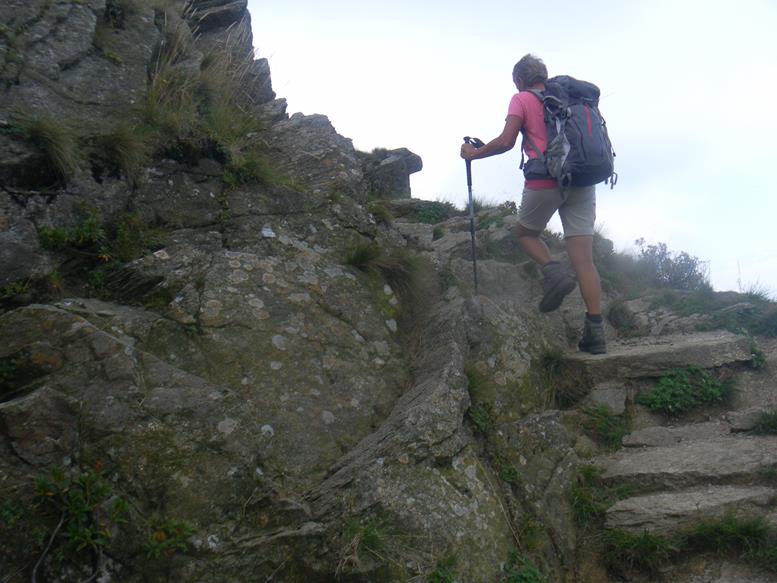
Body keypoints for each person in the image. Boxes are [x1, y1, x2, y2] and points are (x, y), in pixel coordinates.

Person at [459, 53, 606, 354]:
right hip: (581, 180)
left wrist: (474, 154)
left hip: (545, 179)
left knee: (526, 233)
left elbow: (506, 141)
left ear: (519, 80)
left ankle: (553, 272)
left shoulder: (522, 99)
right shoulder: (570, 99)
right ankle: (596, 333)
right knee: (585, 261)